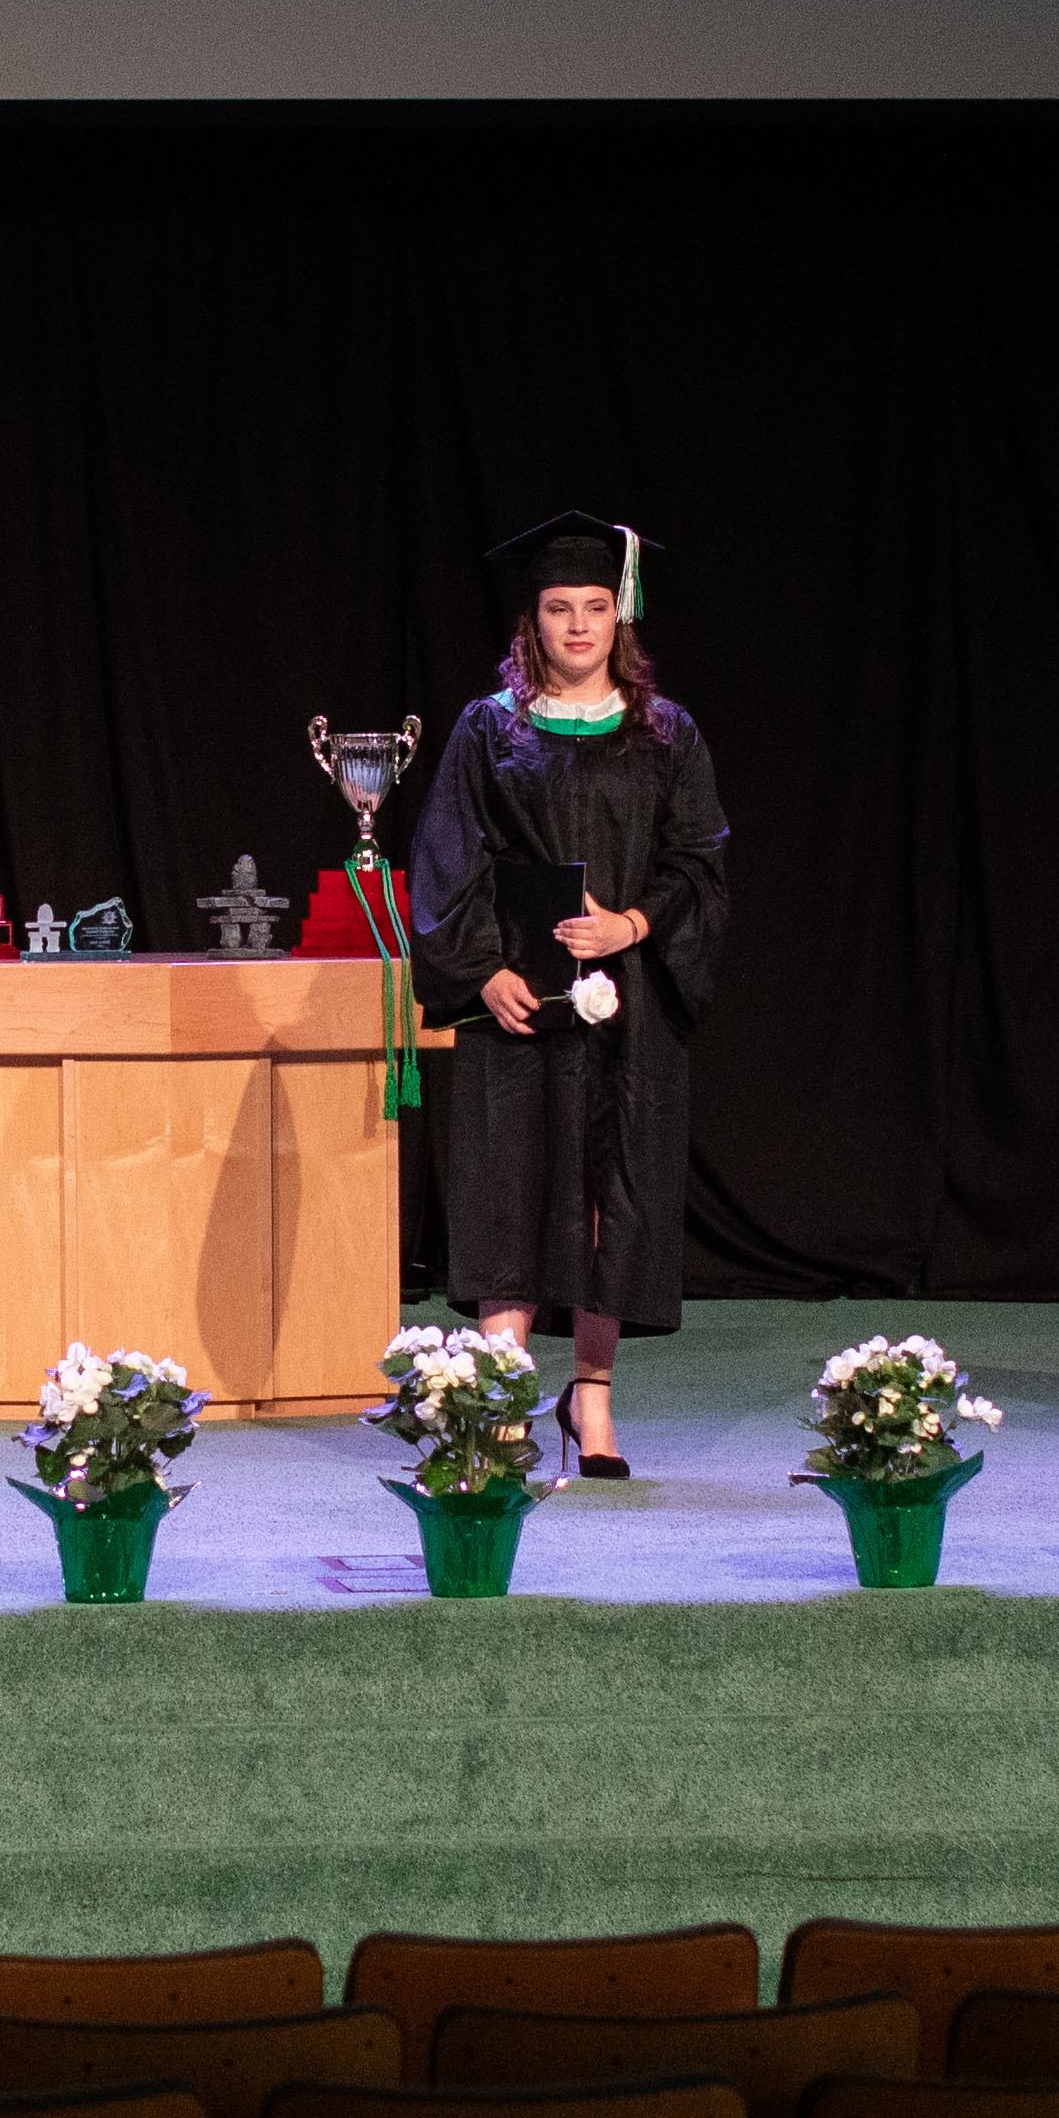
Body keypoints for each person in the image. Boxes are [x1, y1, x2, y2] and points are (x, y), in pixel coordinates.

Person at [406, 511, 731, 1479]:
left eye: (596, 606)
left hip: (625, 1005)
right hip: (516, 1002)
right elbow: (446, 861)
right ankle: (505, 1395)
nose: (578, 625)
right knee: (509, 1186)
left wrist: (634, 925)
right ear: (533, 620)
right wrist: (483, 972)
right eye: (560, 607)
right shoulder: (487, 728)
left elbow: (700, 861)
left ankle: (590, 1395)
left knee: (608, 1195)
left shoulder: (664, 733)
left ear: (619, 618)